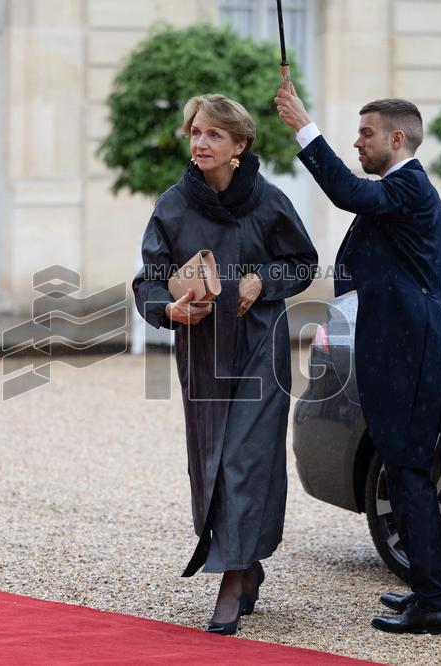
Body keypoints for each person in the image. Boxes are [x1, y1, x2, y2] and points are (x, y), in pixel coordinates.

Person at [275, 89, 441, 635]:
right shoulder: (406, 193)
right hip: (411, 351)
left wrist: (305, 127)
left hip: (412, 357)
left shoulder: (408, 187)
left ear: (396, 139)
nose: (357, 141)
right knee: (404, 473)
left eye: (366, 133)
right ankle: (427, 589)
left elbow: (344, 192)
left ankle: (436, 604)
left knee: (408, 474)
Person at [133, 94, 318, 635]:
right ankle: (247, 561)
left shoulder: (269, 201)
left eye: (214, 134)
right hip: (203, 349)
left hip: (261, 345)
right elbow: (147, 279)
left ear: (240, 145)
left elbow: (302, 262)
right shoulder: (172, 206)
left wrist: (263, 281)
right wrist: (167, 308)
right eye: (195, 132)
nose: (200, 142)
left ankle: (233, 579)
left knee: (246, 459)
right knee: (210, 461)